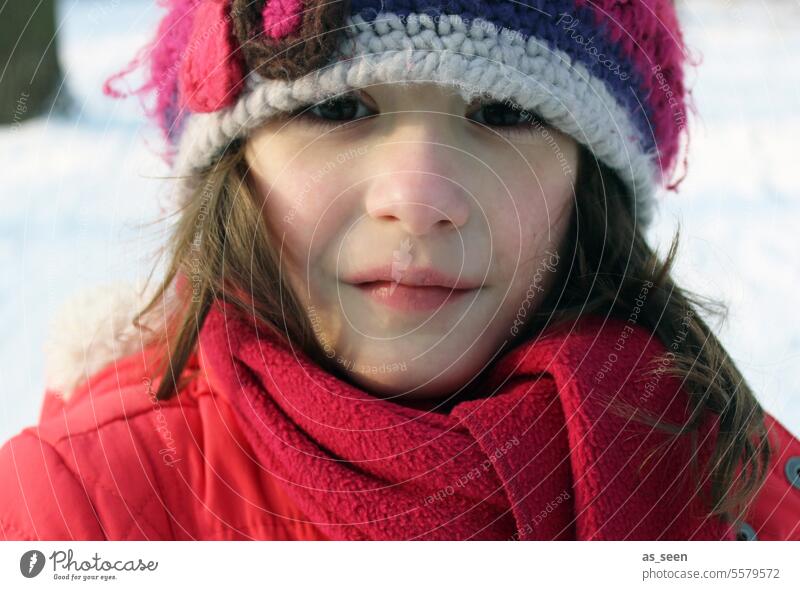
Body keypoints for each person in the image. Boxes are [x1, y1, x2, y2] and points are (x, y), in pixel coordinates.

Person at [1, 0, 798, 541]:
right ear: (232, 172)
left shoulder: (744, 499)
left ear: (589, 189)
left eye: (505, 113)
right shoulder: (76, 511)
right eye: (339, 109)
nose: (419, 199)